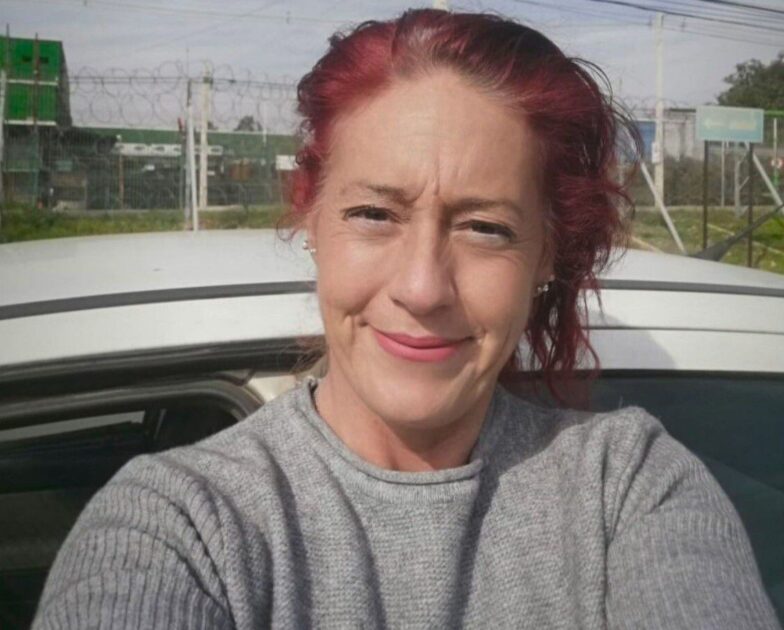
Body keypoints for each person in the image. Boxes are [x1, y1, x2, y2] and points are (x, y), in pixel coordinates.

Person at [33, 9, 779, 629]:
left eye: (485, 227)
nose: (423, 288)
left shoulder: (628, 490)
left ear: (547, 256)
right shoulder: (182, 528)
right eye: (373, 214)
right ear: (312, 221)